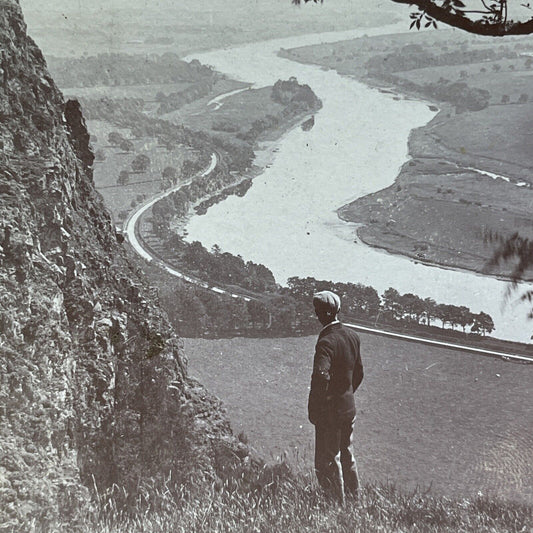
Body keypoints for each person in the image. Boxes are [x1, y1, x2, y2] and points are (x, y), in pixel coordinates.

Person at [308, 290, 364, 504]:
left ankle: (333, 505)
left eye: (317, 311)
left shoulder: (326, 342)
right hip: (348, 408)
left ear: (322, 313)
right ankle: (354, 500)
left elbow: (321, 376)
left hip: (329, 411)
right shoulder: (352, 336)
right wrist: (345, 394)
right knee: (347, 454)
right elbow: (359, 373)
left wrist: (317, 407)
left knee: (328, 459)